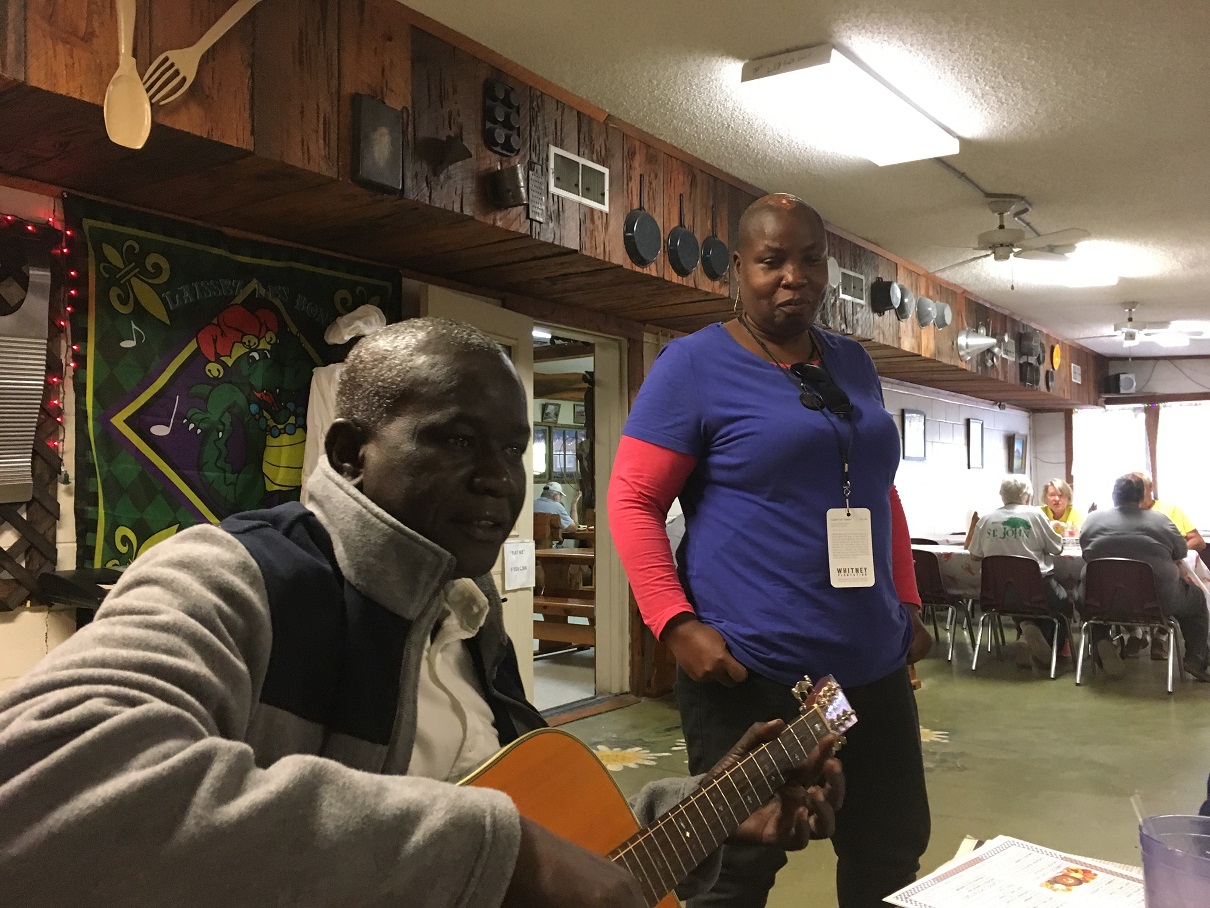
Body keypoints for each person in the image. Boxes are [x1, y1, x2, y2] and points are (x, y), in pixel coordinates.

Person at [0, 318, 844, 907]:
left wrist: (713, 814)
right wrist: (502, 851)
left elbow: (537, 839)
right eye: (453, 439)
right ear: (350, 455)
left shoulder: (473, 622)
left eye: (513, 449)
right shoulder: (233, 573)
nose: (499, 479)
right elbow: (40, 787)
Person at [608, 193, 931, 908]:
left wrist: (906, 599)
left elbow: (879, 491)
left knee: (890, 847)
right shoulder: (692, 365)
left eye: (811, 259)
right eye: (772, 261)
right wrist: (674, 622)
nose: (794, 276)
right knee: (733, 872)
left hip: (868, 669)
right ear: (737, 270)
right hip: (754, 670)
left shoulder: (852, 364)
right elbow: (632, 501)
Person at [1080, 473, 1210, 682]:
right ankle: (1195, 659)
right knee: (1196, 599)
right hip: (1157, 602)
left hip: (1102, 600)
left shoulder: (1092, 520)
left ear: (1114, 496)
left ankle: (1101, 641)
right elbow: (1181, 551)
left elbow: (1086, 551)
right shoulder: (1160, 521)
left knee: (1082, 594)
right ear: (1142, 496)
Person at [968, 475, 1070, 669]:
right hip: (1037, 591)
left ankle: (1025, 632)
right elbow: (1057, 548)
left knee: (1022, 603)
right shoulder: (1036, 516)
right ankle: (1050, 648)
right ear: (1027, 496)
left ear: (1002, 496)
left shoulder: (987, 519)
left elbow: (974, 555)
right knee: (1062, 602)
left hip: (997, 595)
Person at [1128, 472, 1206, 660]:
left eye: (1141, 489)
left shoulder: (1169, 511)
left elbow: (1198, 541)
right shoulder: (1127, 513)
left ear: (1151, 489)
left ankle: (1159, 636)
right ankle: (1136, 633)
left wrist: (1167, 551)